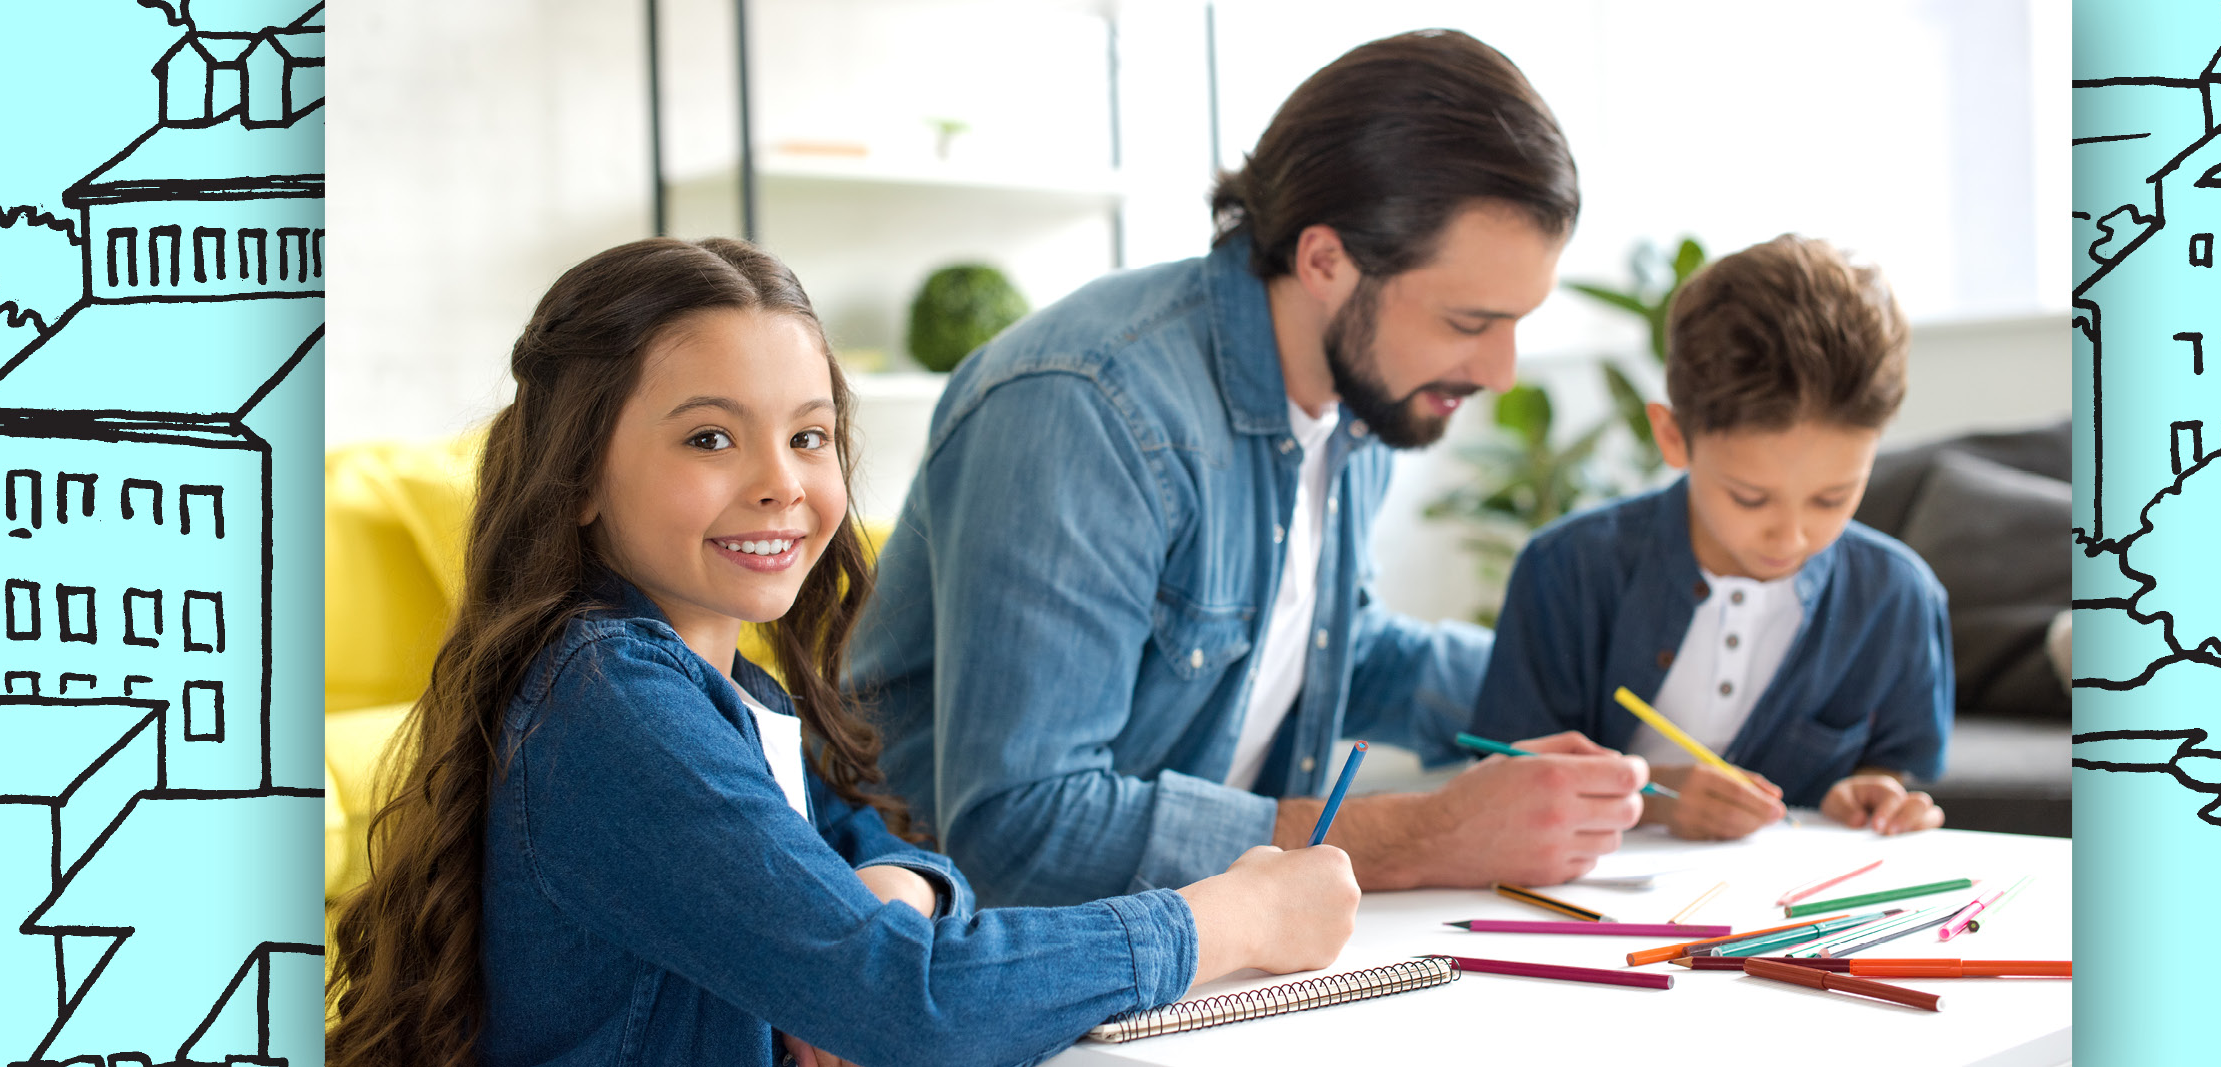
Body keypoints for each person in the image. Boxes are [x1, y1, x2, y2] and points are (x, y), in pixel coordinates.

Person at [325, 237, 1358, 1067]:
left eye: (809, 436)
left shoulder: (724, 682)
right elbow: (914, 1004)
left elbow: (864, 837)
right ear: (580, 474)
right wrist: (1228, 916)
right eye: (709, 438)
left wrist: (893, 894)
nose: (781, 481)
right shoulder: (613, 698)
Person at [849, 29, 1649, 909]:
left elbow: (1327, 646)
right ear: (1324, 261)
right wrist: (1428, 831)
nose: (1499, 371)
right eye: (1469, 322)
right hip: (961, 972)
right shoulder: (1085, 406)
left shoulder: (1359, 400)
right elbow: (1022, 831)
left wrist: (1599, 701)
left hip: (1199, 950)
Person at [1472, 235, 1953, 842]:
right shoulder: (1566, 569)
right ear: (1673, 438)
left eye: (1833, 498)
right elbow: (1504, 779)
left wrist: (1873, 794)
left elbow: (1899, 768)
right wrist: (1659, 798)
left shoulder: (1897, 595)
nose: (1793, 533)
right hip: (1588, 906)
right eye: (1750, 498)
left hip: (1799, 917)